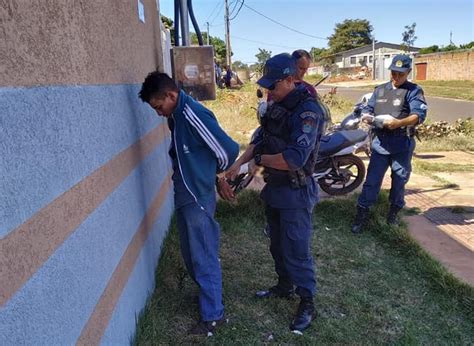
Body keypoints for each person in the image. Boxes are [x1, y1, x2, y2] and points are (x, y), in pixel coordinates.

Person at [226, 53, 326, 333]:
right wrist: (236, 166)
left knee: (297, 250)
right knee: (277, 246)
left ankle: (307, 301)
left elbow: (293, 158)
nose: (269, 90)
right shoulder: (276, 106)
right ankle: (284, 286)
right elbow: (258, 141)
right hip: (276, 190)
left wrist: (258, 162)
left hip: (296, 192)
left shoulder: (308, 111)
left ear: (288, 79)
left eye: (273, 85)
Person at [139, 72, 239, 336]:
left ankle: (213, 316)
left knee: (203, 253)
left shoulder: (192, 114)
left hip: (197, 194)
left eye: (159, 107)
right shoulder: (176, 116)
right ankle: (207, 298)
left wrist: (214, 176)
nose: (159, 113)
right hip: (186, 192)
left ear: (171, 96)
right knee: (191, 251)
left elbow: (227, 151)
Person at [351, 54, 427, 234]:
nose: (396, 77)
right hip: (380, 144)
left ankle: (393, 213)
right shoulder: (380, 90)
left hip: (401, 143)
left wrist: (398, 123)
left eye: (401, 74)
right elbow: (368, 108)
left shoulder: (414, 91)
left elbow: (419, 115)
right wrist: (366, 116)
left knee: (399, 180)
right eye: (393, 73)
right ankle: (361, 215)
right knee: (372, 181)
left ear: (408, 72)